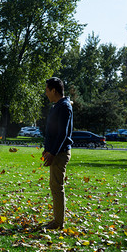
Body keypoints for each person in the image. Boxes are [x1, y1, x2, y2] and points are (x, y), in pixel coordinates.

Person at [42, 77, 73, 229]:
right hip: (55, 152)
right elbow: (52, 131)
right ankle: (57, 220)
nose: (46, 93)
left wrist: (52, 152)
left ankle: (58, 222)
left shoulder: (64, 106)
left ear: (54, 90)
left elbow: (62, 133)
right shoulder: (58, 106)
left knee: (57, 186)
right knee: (54, 186)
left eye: (47, 90)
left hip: (60, 153)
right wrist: (47, 149)